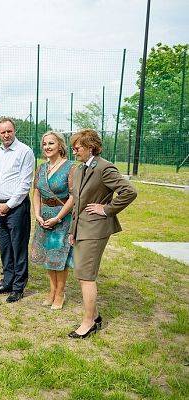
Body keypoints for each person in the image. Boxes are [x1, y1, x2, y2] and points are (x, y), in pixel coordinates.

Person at [68, 128, 137, 338]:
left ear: (90, 147)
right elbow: (77, 203)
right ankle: (95, 316)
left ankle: (89, 322)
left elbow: (129, 191)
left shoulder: (105, 168)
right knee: (82, 274)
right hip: (81, 229)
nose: (74, 152)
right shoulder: (80, 169)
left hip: (95, 230)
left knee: (86, 276)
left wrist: (106, 209)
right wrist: (72, 231)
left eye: (77, 147)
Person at [0, 117, 35, 303]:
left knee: (18, 247)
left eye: (9, 131)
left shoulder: (25, 152)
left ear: (14, 131)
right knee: (5, 247)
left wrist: (9, 205)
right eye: (3, 132)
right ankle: (7, 282)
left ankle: (18, 287)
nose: (6, 135)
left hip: (16, 208)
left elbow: (25, 184)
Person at [31, 131, 75, 310]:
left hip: (62, 217)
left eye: (51, 143)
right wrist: (37, 214)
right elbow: (36, 192)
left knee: (59, 257)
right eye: (45, 144)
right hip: (44, 217)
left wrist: (58, 217)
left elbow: (73, 196)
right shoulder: (41, 168)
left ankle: (60, 293)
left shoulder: (71, 167)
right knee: (48, 256)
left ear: (60, 146)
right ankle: (51, 291)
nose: (47, 147)